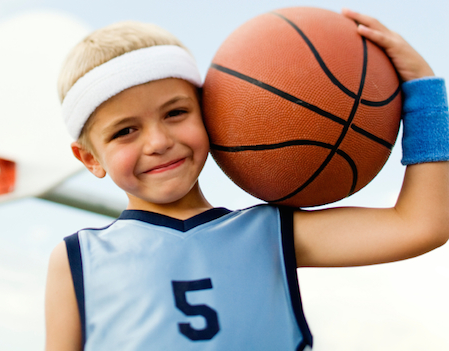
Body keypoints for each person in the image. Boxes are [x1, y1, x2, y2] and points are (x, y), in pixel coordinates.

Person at [45, 8, 449, 351]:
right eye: (124, 131)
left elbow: (420, 224)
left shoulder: (269, 232)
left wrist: (425, 93)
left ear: (209, 112)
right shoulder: (79, 258)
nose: (158, 142)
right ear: (89, 158)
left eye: (175, 113)